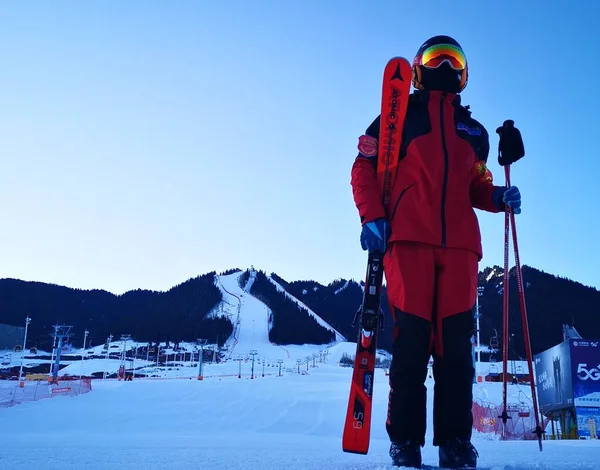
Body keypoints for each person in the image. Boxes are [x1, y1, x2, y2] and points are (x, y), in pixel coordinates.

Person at [350, 35, 522, 469]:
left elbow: (476, 185)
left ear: (464, 73)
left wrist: (499, 195)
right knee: (411, 348)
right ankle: (405, 442)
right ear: (419, 67)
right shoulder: (398, 118)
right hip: (408, 244)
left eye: (454, 58)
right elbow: (363, 168)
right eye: (434, 57)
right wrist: (371, 216)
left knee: (456, 354)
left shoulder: (475, 133)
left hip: (461, 250)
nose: (444, 64)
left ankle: (455, 444)